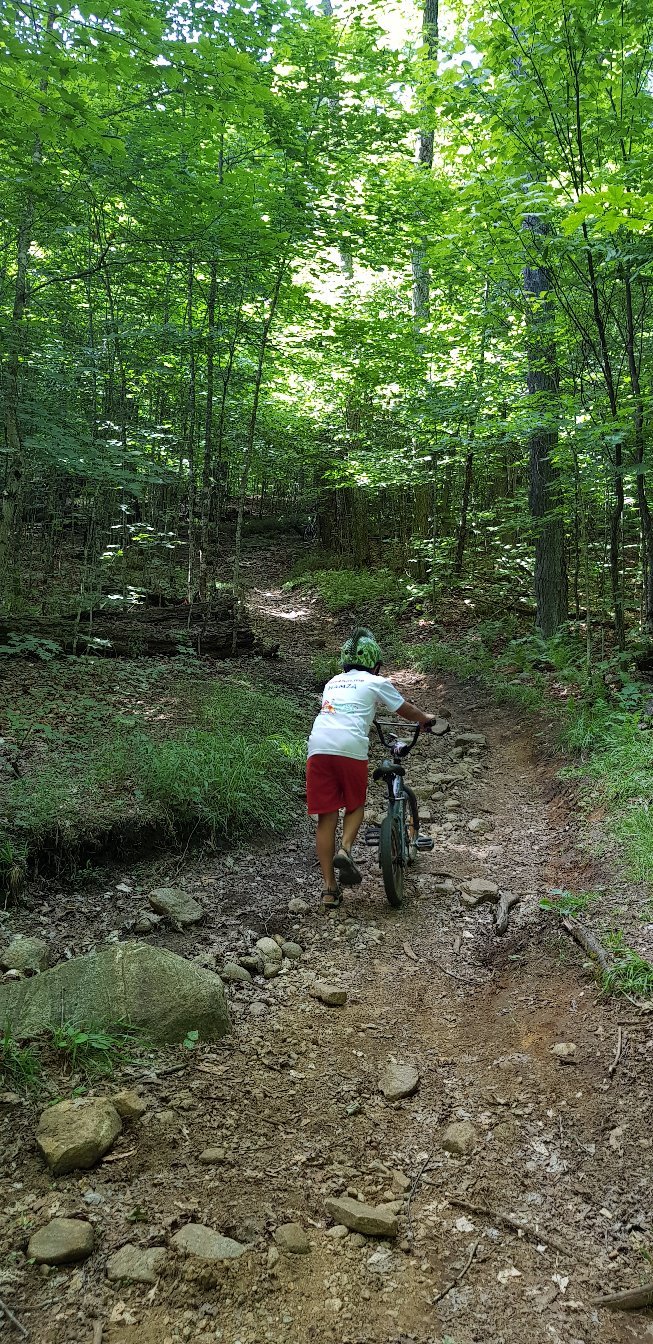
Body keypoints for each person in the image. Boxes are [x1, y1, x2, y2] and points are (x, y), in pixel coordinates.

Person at [306, 627, 437, 910]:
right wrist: (426, 719)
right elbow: (404, 709)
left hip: (318, 746)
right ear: (375, 663)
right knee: (355, 805)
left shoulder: (332, 682)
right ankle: (345, 849)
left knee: (326, 817)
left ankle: (329, 889)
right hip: (349, 747)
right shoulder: (375, 681)